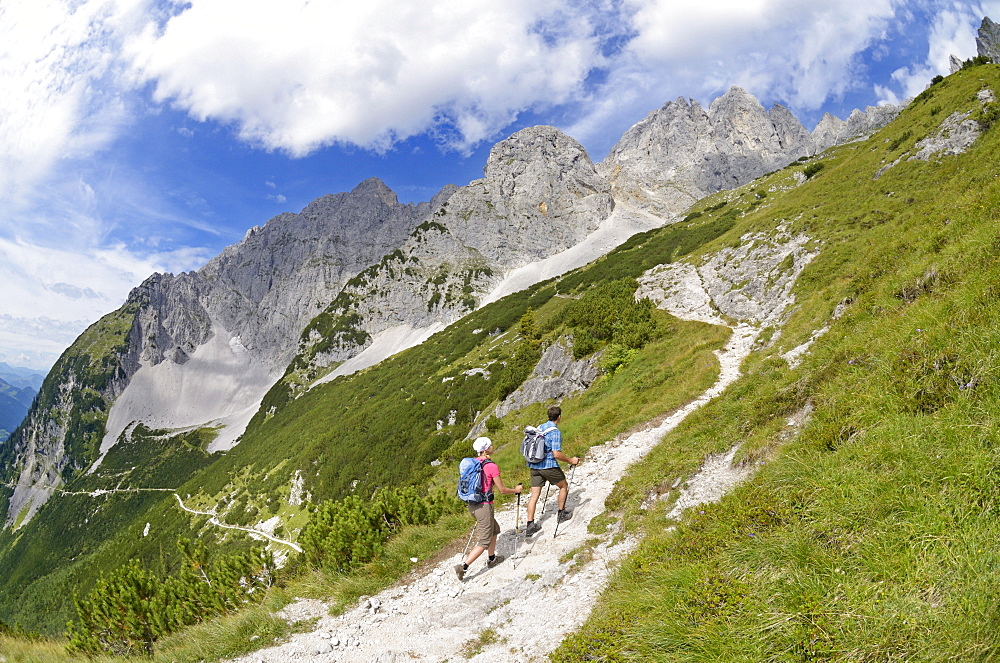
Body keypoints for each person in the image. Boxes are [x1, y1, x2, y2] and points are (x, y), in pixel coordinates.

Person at [455, 436, 523, 581]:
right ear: (486, 449)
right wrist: (516, 490)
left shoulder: (473, 463)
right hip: (484, 506)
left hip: (473, 505)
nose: (493, 446)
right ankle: (463, 567)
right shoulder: (491, 466)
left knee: (495, 529)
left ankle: (492, 559)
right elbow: (503, 490)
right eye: (490, 445)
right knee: (484, 541)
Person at [524, 406, 579, 537]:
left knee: (534, 495)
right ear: (559, 417)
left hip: (535, 465)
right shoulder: (555, 432)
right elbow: (556, 454)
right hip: (548, 465)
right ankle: (561, 514)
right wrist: (571, 460)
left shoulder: (540, 427)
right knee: (563, 486)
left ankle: (530, 525)